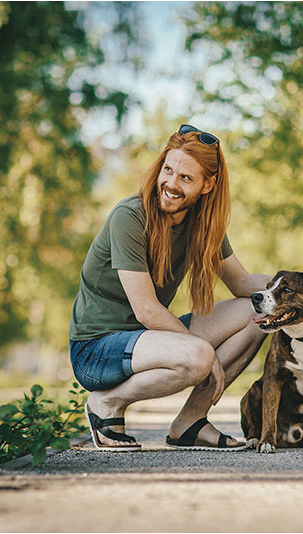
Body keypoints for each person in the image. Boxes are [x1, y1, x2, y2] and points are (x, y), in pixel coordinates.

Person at [68, 124, 273, 451]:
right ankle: (106, 403)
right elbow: (147, 311)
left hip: (146, 341)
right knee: (196, 357)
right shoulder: (130, 217)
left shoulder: (203, 226)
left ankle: (190, 421)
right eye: (168, 170)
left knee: (257, 313)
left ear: (208, 185)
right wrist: (205, 355)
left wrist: (300, 280)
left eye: (185, 178)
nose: (171, 184)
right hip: (96, 350)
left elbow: (242, 284)